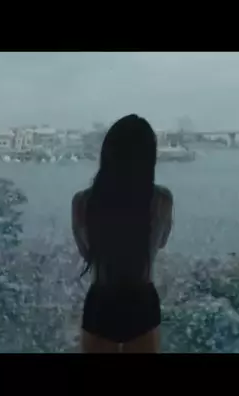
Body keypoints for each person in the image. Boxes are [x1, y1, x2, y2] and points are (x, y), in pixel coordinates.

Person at [71, 114, 173, 353]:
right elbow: (161, 242)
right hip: (142, 300)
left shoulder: (83, 202)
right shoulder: (162, 199)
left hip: (101, 301)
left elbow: (86, 252)